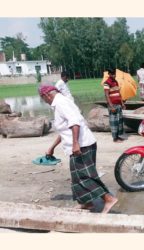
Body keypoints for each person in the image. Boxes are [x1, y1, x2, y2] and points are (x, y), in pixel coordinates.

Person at [38, 85, 118, 213]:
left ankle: (108, 198)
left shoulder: (60, 103)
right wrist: (52, 147)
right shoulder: (61, 102)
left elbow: (75, 123)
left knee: (84, 176)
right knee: (77, 178)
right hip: (83, 144)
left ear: (46, 95)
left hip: (82, 145)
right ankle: (87, 203)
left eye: (43, 99)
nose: (44, 102)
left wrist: (76, 144)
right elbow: (65, 128)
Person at [103, 68, 126, 143]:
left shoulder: (116, 82)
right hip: (112, 105)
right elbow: (107, 95)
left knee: (119, 121)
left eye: (114, 74)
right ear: (109, 74)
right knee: (114, 122)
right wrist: (111, 106)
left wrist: (122, 103)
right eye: (112, 74)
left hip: (118, 104)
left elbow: (119, 93)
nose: (114, 75)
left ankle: (118, 136)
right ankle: (115, 138)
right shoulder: (107, 83)